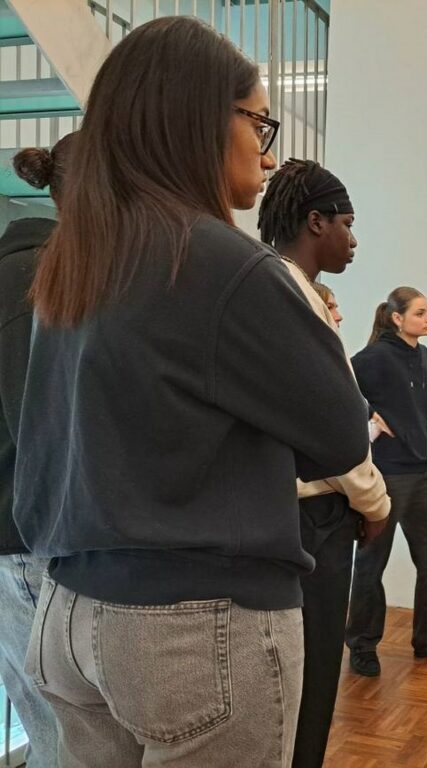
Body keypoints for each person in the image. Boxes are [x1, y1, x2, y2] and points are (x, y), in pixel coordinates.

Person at [14, 18, 372, 766]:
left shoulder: (76, 259)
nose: (266, 153)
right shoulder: (227, 266)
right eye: (257, 122)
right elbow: (342, 434)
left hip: (68, 611)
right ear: (201, 120)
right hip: (194, 624)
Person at [257, 159, 391, 768]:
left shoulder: (274, 287)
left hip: (279, 511)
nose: (353, 239)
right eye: (347, 224)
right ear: (316, 222)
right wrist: (375, 503)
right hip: (315, 517)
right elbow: (335, 431)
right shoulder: (298, 298)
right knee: (309, 681)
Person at [0, 133, 77, 768]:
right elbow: (43, 435)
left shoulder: (28, 271)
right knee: (67, 739)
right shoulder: (39, 281)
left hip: (21, 546)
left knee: (54, 731)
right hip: (33, 548)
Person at [345, 287, 427, 676]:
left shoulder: (423, 356)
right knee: (371, 563)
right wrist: (372, 417)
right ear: (397, 318)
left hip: (420, 472)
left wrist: (414, 419)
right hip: (387, 475)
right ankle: (362, 645)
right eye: (420, 313)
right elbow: (341, 389)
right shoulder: (376, 357)